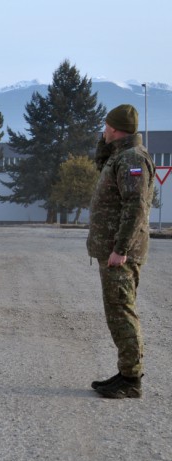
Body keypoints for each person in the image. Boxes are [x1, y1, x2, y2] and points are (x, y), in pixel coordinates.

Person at [88, 104, 155, 399]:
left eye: (106, 126)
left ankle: (130, 379)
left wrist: (121, 249)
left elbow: (135, 206)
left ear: (115, 128)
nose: (103, 129)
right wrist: (104, 146)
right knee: (117, 311)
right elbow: (101, 167)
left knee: (122, 312)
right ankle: (126, 372)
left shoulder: (132, 159)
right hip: (115, 249)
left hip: (120, 253)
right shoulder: (120, 155)